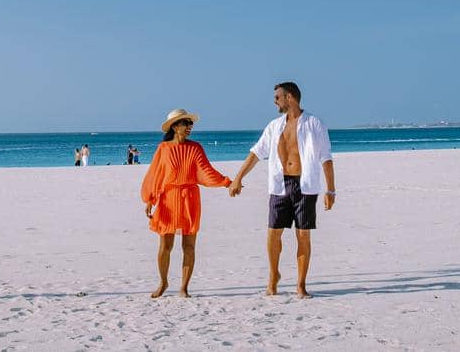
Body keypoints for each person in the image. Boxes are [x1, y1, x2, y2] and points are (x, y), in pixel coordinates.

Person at [230, 82, 335, 298]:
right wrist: (238, 178)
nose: (274, 101)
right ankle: (273, 275)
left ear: (290, 97)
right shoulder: (274, 126)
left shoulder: (314, 123)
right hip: (279, 185)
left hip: (305, 186)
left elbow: (326, 158)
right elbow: (256, 153)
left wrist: (330, 190)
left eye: (277, 97)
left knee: (303, 235)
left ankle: (301, 284)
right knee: (273, 233)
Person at [141, 109, 231, 298]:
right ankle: (163, 282)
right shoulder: (163, 148)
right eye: (186, 123)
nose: (190, 127)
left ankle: (184, 287)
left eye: (191, 124)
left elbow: (206, 171)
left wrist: (226, 182)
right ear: (175, 126)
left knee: (189, 246)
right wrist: (150, 199)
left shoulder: (195, 147)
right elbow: (155, 174)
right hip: (168, 198)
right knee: (165, 245)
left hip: (190, 198)